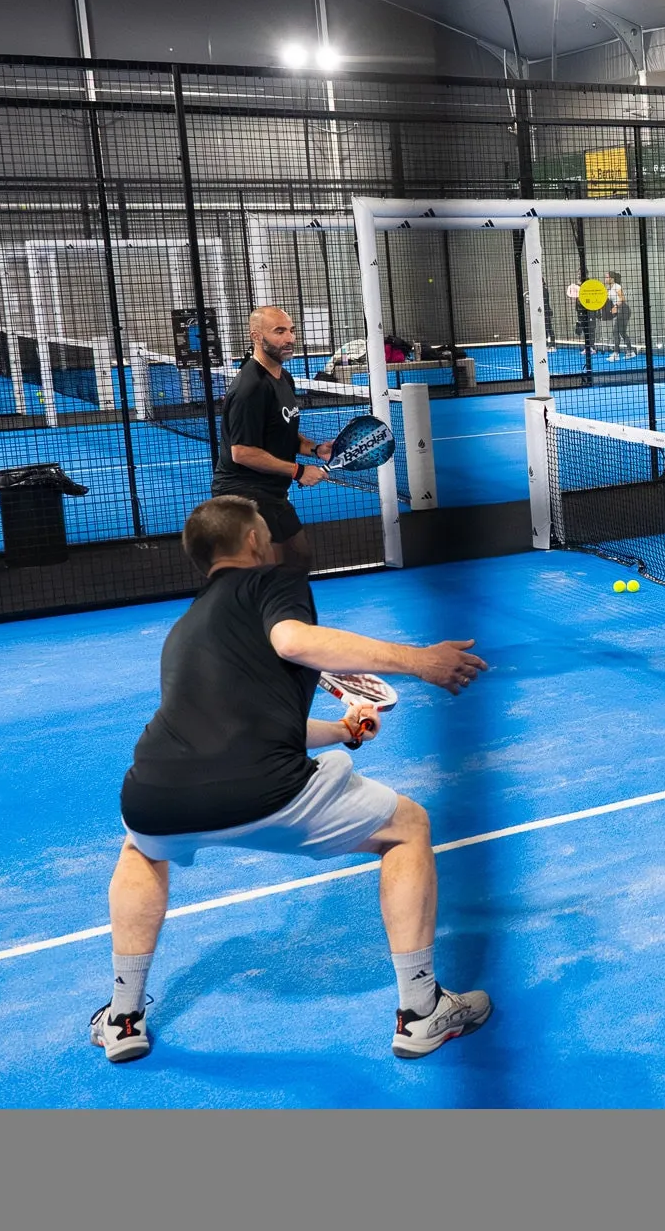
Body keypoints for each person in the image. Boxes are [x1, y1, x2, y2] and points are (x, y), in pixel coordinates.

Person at [92, 495, 492, 1064]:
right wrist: (420, 661)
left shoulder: (185, 630)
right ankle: (421, 1010)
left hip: (155, 794)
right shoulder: (272, 582)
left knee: (141, 850)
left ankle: (123, 1017)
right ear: (254, 540)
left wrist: (342, 730)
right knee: (407, 826)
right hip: (264, 789)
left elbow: (243, 725)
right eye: (263, 527)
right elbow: (295, 642)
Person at [212, 306, 335, 574]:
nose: (289, 338)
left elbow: (283, 431)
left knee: (296, 557)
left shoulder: (283, 378)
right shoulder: (250, 388)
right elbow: (242, 452)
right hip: (242, 495)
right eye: (279, 332)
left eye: (291, 331)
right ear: (256, 336)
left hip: (271, 492)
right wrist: (299, 471)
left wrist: (315, 449)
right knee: (273, 566)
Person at [605, 270, 634, 360]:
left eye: (607, 277)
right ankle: (630, 352)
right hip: (619, 311)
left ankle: (616, 354)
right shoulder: (609, 289)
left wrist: (616, 306)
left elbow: (623, 299)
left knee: (615, 331)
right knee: (622, 332)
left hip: (623, 310)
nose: (605, 279)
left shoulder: (617, 286)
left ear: (612, 278)